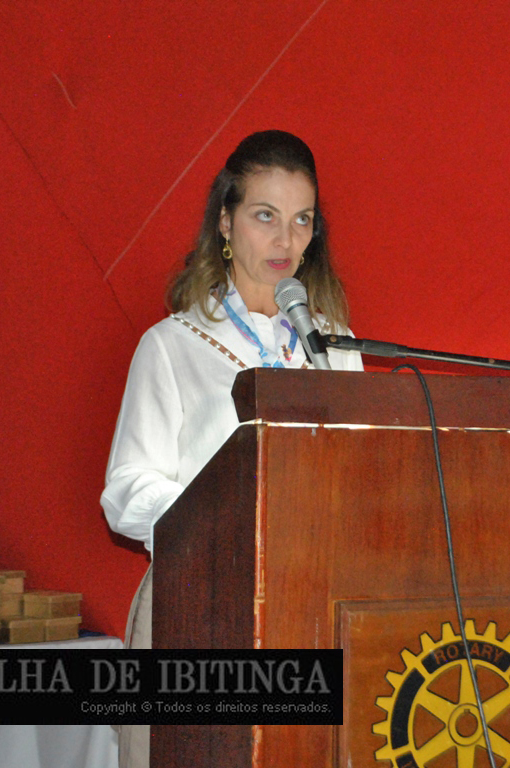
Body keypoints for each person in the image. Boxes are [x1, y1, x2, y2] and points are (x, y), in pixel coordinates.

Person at [101, 130, 362, 766]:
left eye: (302, 220)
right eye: (265, 216)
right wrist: (224, 518)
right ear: (225, 221)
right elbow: (127, 491)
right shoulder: (173, 344)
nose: (285, 241)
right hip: (200, 603)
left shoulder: (335, 347)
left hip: (313, 606)